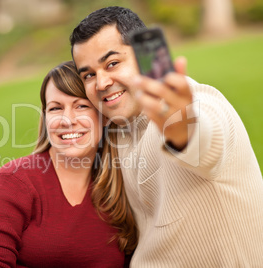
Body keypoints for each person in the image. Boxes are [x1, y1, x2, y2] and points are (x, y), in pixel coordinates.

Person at [70, 6, 263, 267]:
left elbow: (207, 138)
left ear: (144, 57)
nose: (101, 83)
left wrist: (181, 132)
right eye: (89, 75)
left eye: (112, 63)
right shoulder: (116, 133)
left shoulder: (199, 102)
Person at [0, 61, 137, 267]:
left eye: (81, 106)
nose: (67, 120)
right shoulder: (14, 182)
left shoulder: (121, 189)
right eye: (55, 108)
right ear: (45, 118)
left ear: (104, 116)